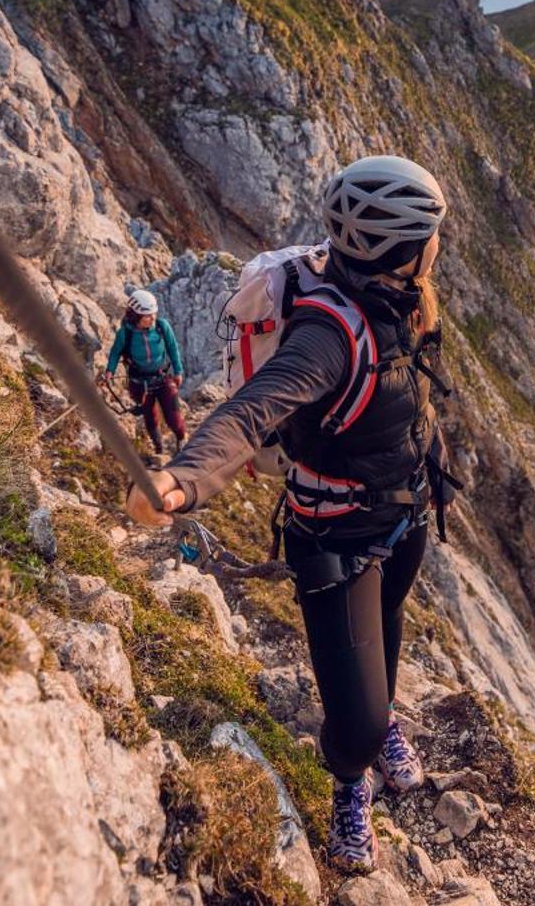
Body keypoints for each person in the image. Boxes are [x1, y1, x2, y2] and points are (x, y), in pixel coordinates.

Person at [126, 155, 455, 875]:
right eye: (432, 234)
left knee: (388, 625)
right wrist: (182, 478)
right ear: (402, 247)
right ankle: (349, 780)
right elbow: (253, 410)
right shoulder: (328, 336)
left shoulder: (402, 296)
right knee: (357, 724)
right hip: (334, 538)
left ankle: (381, 716)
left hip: (403, 515)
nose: (438, 246)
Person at [100, 289, 188, 453]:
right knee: (150, 418)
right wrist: (109, 371)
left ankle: (182, 438)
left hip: (162, 378)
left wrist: (178, 371)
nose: (152, 318)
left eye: (154, 314)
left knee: (173, 416)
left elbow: (172, 348)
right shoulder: (125, 333)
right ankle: (159, 448)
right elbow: (115, 352)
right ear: (135, 316)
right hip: (139, 384)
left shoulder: (162, 327)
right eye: (147, 315)